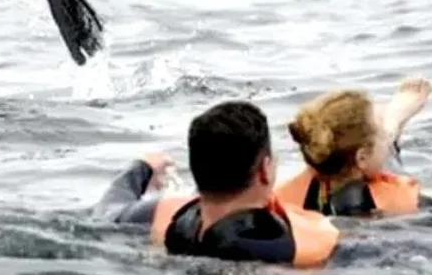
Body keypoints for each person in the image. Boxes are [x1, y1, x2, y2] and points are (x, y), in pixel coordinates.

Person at [95, 100, 339, 266]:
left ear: (196, 168)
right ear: (265, 170)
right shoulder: (307, 243)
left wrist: (143, 167)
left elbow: (106, 212)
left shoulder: (167, 217)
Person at [274, 76, 432, 216]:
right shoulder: (403, 199)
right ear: (362, 157)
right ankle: (392, 123)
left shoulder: (287, 198)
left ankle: (392, 123)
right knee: (387, 159)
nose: (382, 138)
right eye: (381, 133)